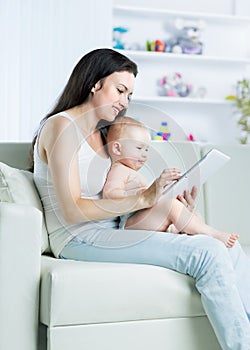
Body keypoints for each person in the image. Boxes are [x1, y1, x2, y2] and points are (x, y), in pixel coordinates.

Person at [31, 48, 250, 350]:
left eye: (129, 95)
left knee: (230, 247)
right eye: (120, 90)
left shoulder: (104, 133)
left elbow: (119, 193)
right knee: (206, 253)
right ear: (95, 83)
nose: (124, 102)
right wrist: (146, 198)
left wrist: (167, 207)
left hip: (116, 227)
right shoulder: (61, 127)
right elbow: (70, 210)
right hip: (77, 237)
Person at [103, 116, 239, 248]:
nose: (145, 155)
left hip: (143, 219)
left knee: (193, 215)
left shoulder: (132, 172)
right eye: (139, 148)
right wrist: (143, 194)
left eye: (147, 149)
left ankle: (180, 230)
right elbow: (109, 195)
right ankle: (212, 233)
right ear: (117, 148)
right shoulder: (119, 169)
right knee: (171, 206)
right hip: (130, 224)